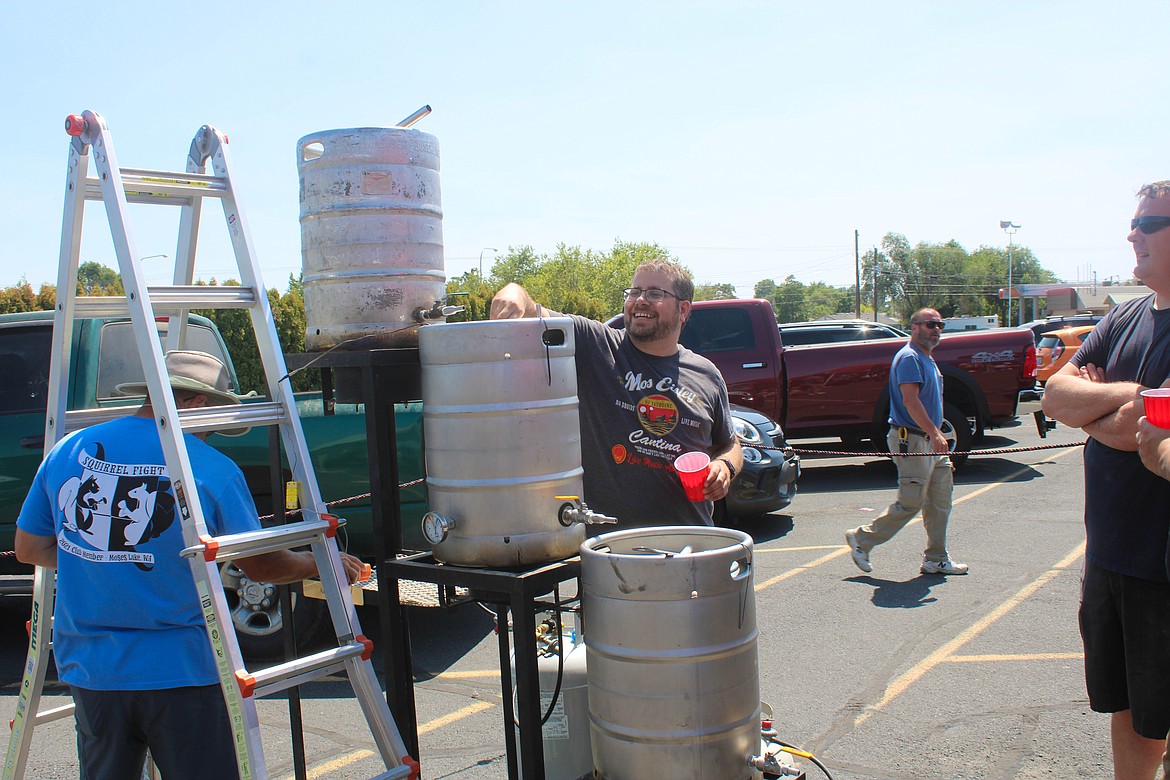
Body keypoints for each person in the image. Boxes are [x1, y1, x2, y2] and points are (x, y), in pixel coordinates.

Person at [14, 350, 364, 780]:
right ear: (195, 403)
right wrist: (318, 561)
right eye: (215, 415)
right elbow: (261, 566)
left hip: (92, 671)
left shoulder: (68, 450)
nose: (212, 433)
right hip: (181, 671)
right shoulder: (211, 468)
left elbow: (29, 549)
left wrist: (104, 558)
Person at [1042, 181, 1170, 779]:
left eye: (1147, 224)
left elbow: (1134, 430)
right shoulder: (1125, 317)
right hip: (1111, 556)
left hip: (1162, 567)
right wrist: (1131, 401)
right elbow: (1055, 394)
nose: (1132, 235)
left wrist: (1092, 406)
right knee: (1126, 708)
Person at [489, 258, 743, 527]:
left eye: (655, 293)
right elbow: (534, 313)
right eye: (634, 292)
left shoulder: (707, 374)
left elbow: (729, 443)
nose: (640, 300)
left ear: (683, 310)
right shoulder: (596, 345)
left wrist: (724, 467)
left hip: (688, 539)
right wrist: (514, 293)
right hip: (608, 545)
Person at [844, 308, 968, 576]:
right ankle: (862, 539)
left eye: (940, 325)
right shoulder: (909, 357)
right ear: (914, 328)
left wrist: (936, 435)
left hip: (930, 441)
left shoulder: (927, 359)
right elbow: (910, 402)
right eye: (930, 324)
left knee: (940, 501)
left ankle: (936, 558)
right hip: (911, 440)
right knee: (911, 502)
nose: (936, 329)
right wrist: (936, 434)